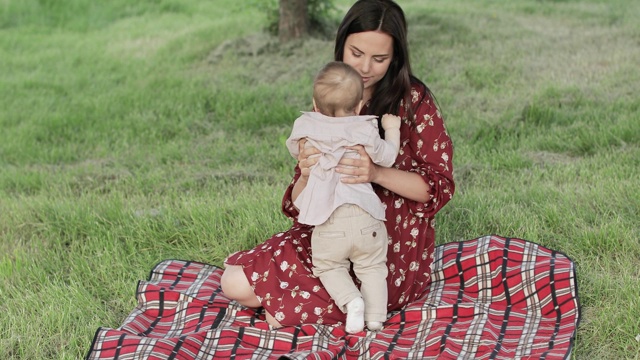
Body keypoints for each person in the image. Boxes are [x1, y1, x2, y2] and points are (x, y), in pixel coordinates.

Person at [221, 0, 455, 330]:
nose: (365, 67)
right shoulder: (333, 91)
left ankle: (307, 307)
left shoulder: (414, 100)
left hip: (388, 244)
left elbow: (439, 188)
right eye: (356, 53)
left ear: (396, 57)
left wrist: (375, 173)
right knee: (234, 282)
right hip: (327, 232)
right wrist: (304, 171)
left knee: (278, 301)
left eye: (380, 58)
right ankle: (309, 307)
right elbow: (299, 204)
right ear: (341, 42)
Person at [285, 61, 401, 333]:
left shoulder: (305, 126)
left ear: (315, 104)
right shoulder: (365, 128)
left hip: (328, 222)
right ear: (360, 105)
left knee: (327, 265)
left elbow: (295, 150)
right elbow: (388, 157)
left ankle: (352, 301)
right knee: (373, 266)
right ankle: (375, 317)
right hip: (366, 216)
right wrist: (392, 129)